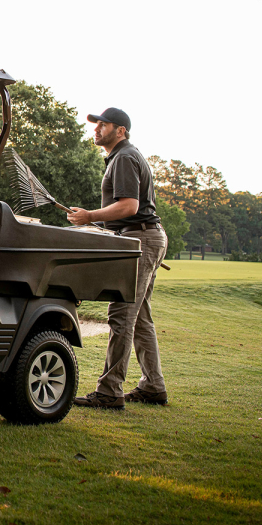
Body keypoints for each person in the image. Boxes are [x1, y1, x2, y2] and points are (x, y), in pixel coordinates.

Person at [67, 107, 168, 409]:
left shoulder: (124, 157)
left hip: (140, 237)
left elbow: (129, 206)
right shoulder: (123, 156)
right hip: (146, 236)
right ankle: (153, 386)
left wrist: (90, 216)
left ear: (120, 130)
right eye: (96, 124)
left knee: (122, 314)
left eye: (104, 124)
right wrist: (96, 222)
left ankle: (110, 391)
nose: (97, 129)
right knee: (141, 318)